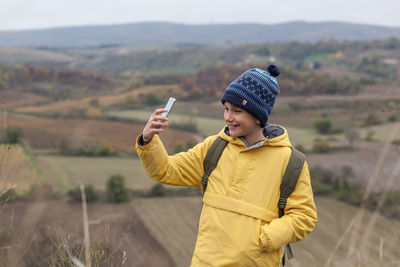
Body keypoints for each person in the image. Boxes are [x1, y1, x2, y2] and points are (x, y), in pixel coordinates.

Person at [136, 65, 317, 267]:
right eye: (226, 109)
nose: (228, 117)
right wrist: (148, 140)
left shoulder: (291, 162)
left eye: (236, 111)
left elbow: (304, 216)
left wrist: (265, 238)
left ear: (258, 116)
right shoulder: (214, 148)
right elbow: (165, 171)